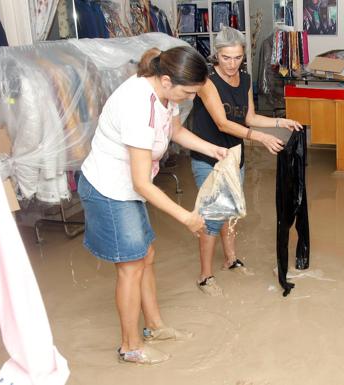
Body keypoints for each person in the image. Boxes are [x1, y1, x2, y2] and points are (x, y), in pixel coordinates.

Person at [78, 46, 227, 365]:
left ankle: (155, 327)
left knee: (146, 254)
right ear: (165, 79)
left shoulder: (166, 96)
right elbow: (142, 182)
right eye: (187, 92)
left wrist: (212, 148)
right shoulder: (136, 104)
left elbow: (174, 130)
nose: (189, 98)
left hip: (126, 189)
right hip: (108, 190)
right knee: (131, 266)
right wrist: (186, 217)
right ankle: (129, 347)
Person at [190, 26, 302, 296]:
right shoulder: (207, 82)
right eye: (226, 58)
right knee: (212, 218)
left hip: (235, 157)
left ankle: (230, 259)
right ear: (216, 55)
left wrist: (279, 121)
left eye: (237, 57)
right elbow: (223, 123)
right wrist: (260, 138)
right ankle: (205, 276)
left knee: (231, 211)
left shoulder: (246, 78)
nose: (231, 64)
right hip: (209, 159)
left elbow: (249, 117)